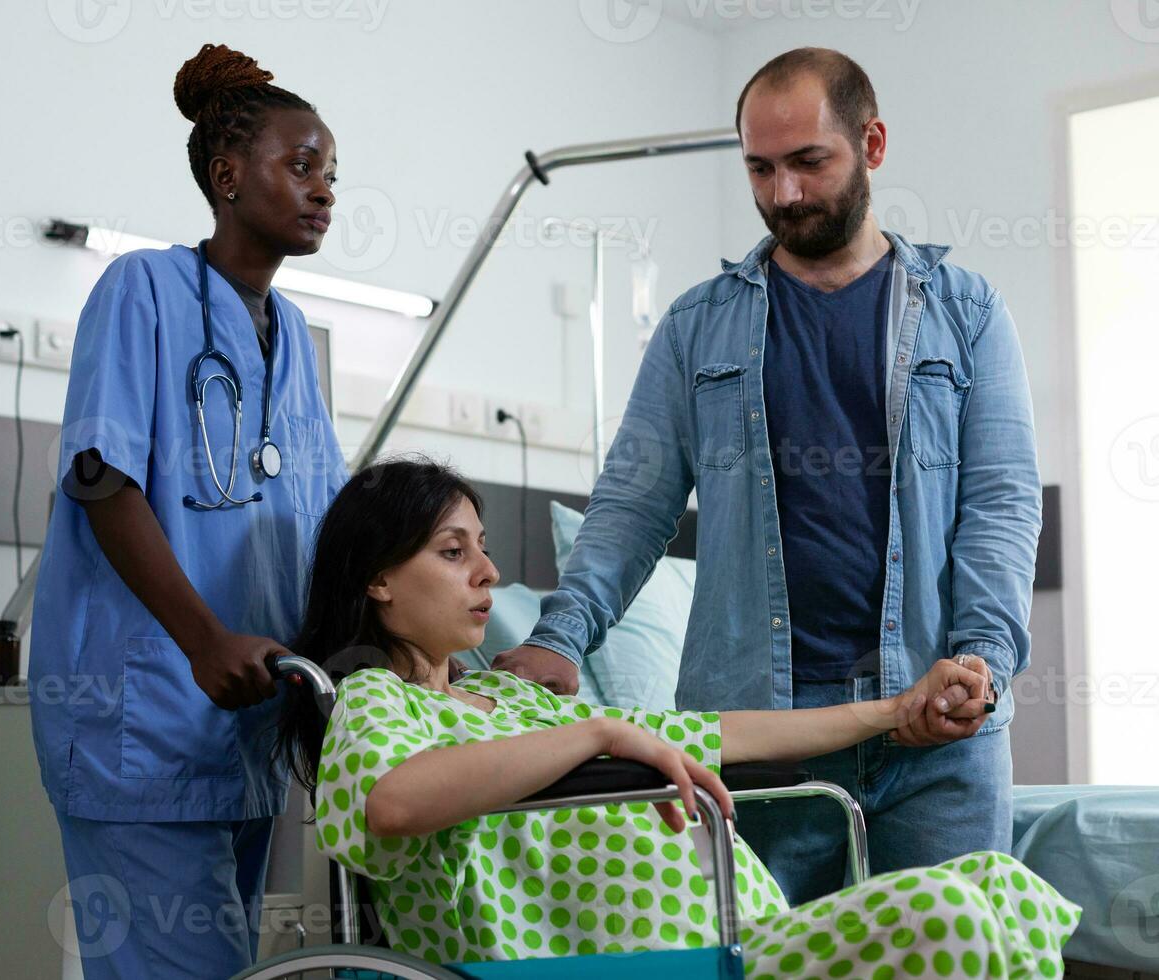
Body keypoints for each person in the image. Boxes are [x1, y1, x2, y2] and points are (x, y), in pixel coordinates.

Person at [493, 47, 1042, 905]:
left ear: (873, 143)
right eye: (760, 168)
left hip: (938, 739)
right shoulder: (694, 331)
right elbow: (634, 505)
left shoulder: (967, 316)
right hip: (759, 738)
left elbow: (1002, 508)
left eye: (808, 162)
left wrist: (979, 661)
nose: (783, 193)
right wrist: (561, 635)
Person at [276, 458, 1077, 976]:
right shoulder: (379, 698)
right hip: (604, 964)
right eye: (453, 553)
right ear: (378, 579)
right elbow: (393, 802)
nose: (487, 570)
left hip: (730, 938)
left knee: (1001, 887)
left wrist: (895, 711)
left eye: (482, 547)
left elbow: (731, 734)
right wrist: (597, 731)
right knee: (950, 917)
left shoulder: (513, 696)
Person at [28, 43, 348, 978]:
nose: (324, 189)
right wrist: (205, 639)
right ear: (226, 175)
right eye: (301, 165)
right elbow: (100, 480)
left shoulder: (293, 336)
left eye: (332, 173)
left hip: (244, 736)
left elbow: (321, 517)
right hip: (145, 726)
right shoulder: (143, 290)